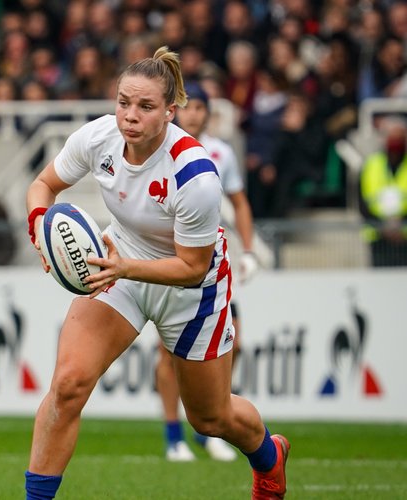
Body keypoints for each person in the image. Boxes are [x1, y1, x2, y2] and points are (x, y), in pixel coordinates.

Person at [24, 47, 289, 500]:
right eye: (124, 102)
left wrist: (125, 268)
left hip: (193, 287)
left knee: (211, 418)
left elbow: (192, 267)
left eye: (145, 106)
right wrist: (39, 229)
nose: (130, 115)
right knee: (68, 385)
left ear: (170, 112)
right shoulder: (98, 137)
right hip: (120, 262)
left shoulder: (195, 174)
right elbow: (43, 185)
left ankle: (269, 456)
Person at [156, 81, 260, 462]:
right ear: (177, 110)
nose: (195, 113)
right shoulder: (161, 149)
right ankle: (173, 435)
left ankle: (209, 427)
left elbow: (239, 202)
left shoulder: (221, 153)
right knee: (166, 353)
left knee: (229, 343)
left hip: (211, 267)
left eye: (201, 107)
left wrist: (248, 250)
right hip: (170, 261)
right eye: (190, 106)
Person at [358, 117, 407, 267]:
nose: (397, 141)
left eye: (401, 137)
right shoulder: (371, 165)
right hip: (379, 240)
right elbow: (363, 203)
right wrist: (384, 226)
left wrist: (402, 224)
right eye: (393, 137)